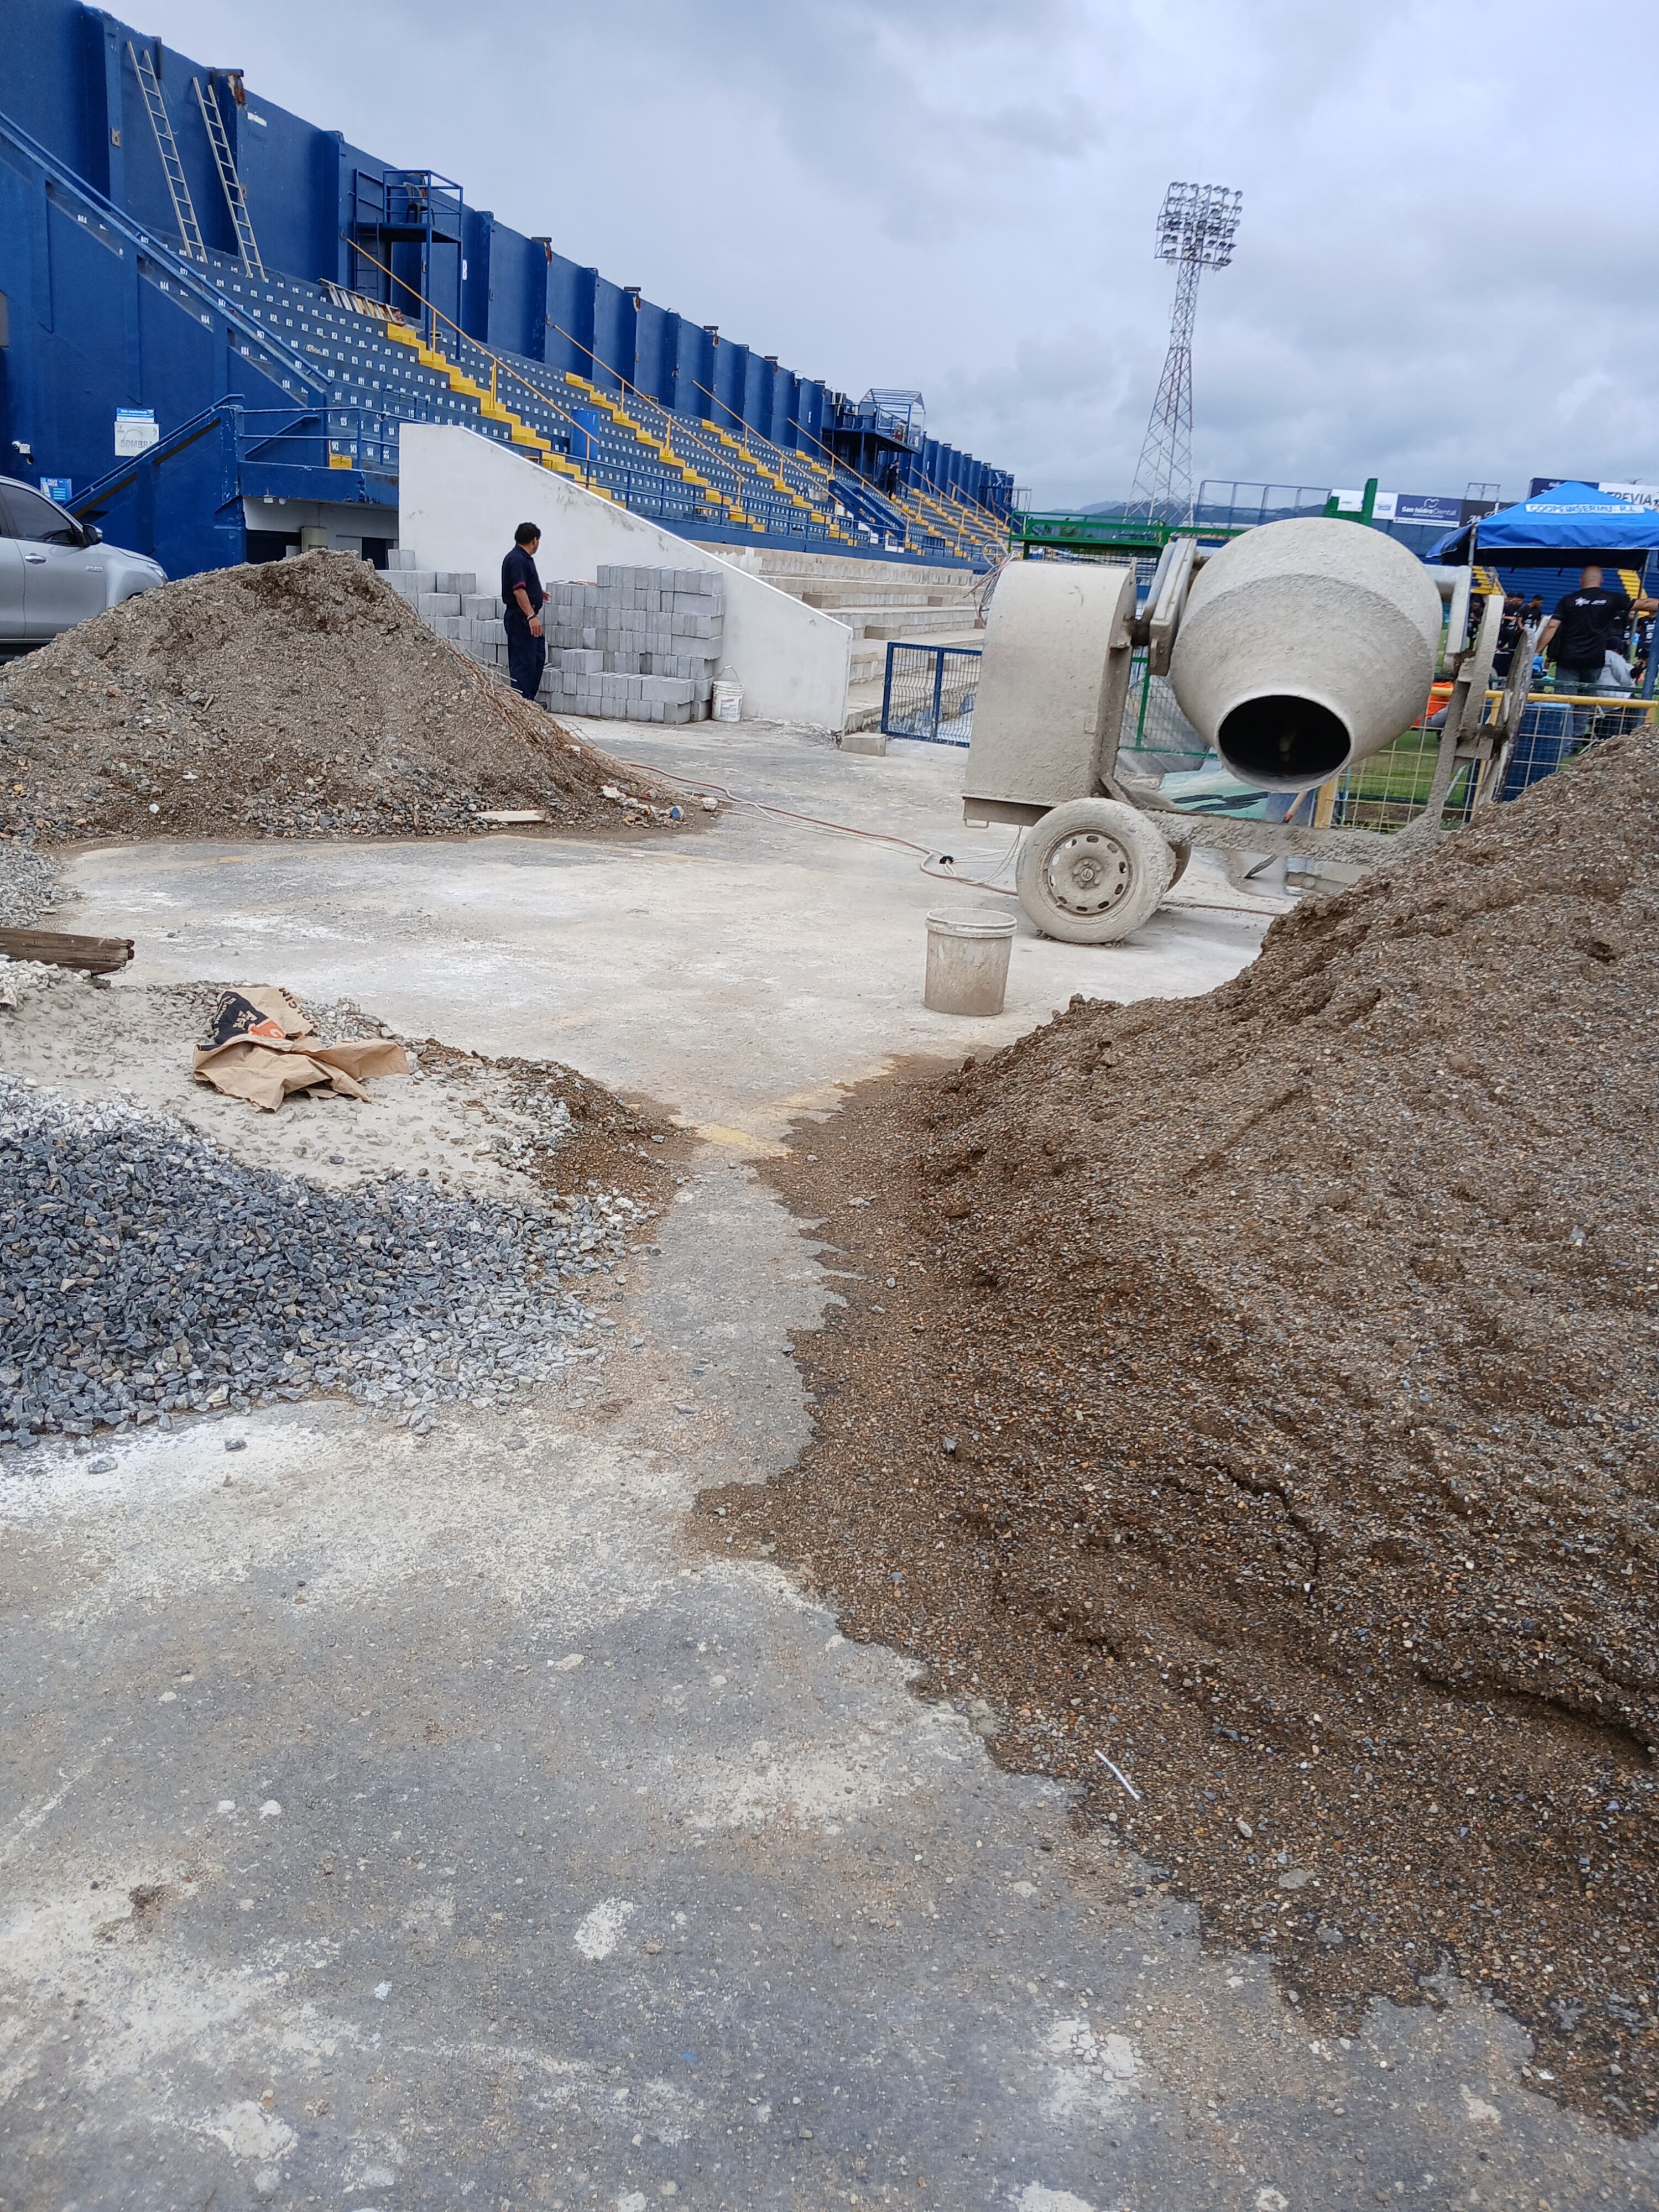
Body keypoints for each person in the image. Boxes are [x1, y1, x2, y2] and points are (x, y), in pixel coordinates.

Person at [1536, 566, 1655, 737]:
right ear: (1602, 581)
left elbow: (1553, 625)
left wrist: (1538, 651)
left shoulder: (1568, 600)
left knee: (1564, 702)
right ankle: (1576, 737)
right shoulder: (1611, 598)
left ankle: (1564, 741)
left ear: (1580, 581)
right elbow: (1643, 603)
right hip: (1594, 660)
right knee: (1586, 703)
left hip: (1568, 659)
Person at [501, 521, 546, 703]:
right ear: (535, 540)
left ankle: (529, 699)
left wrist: (536, 593)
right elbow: (518, 590)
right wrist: (531, 616)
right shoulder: (517, 559)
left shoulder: (522, 558)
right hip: (521, 619)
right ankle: (522, 702)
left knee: (536, 657)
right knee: (523, 661)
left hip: (525, 617)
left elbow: (524, 587)